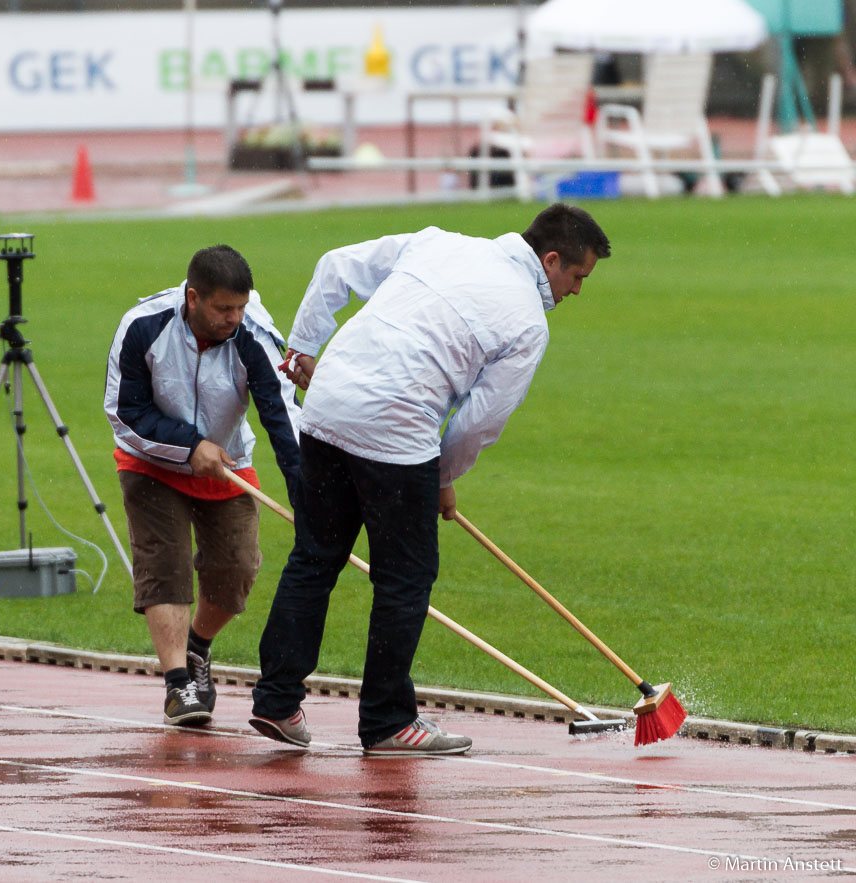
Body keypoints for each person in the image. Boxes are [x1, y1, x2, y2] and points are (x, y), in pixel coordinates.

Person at [249, 203, 611, 755]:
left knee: (314, 558)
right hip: (396, 430)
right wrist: (443, 475)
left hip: (325, 408)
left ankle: (275, 701)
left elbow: (335, 266)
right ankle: (389, 722)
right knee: (405, 579)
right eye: (578, 277)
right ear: (551, 260)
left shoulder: (440, 240)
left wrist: (302, 346)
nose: (578, 292)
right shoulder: (528, 321)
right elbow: (479, 422)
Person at [105, 245, 301, 727]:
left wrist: (307, 499)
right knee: (165, 566)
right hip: (150, 460)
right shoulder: (142, 326)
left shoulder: (254, 334)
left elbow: (282, 419)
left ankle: (198, 648)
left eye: (241, 306)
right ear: (193, 298)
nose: (234, 318)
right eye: (223, 309)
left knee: (235, 570)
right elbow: (124, 414)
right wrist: (189, 446)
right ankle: (178, 686)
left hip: (228, 460)